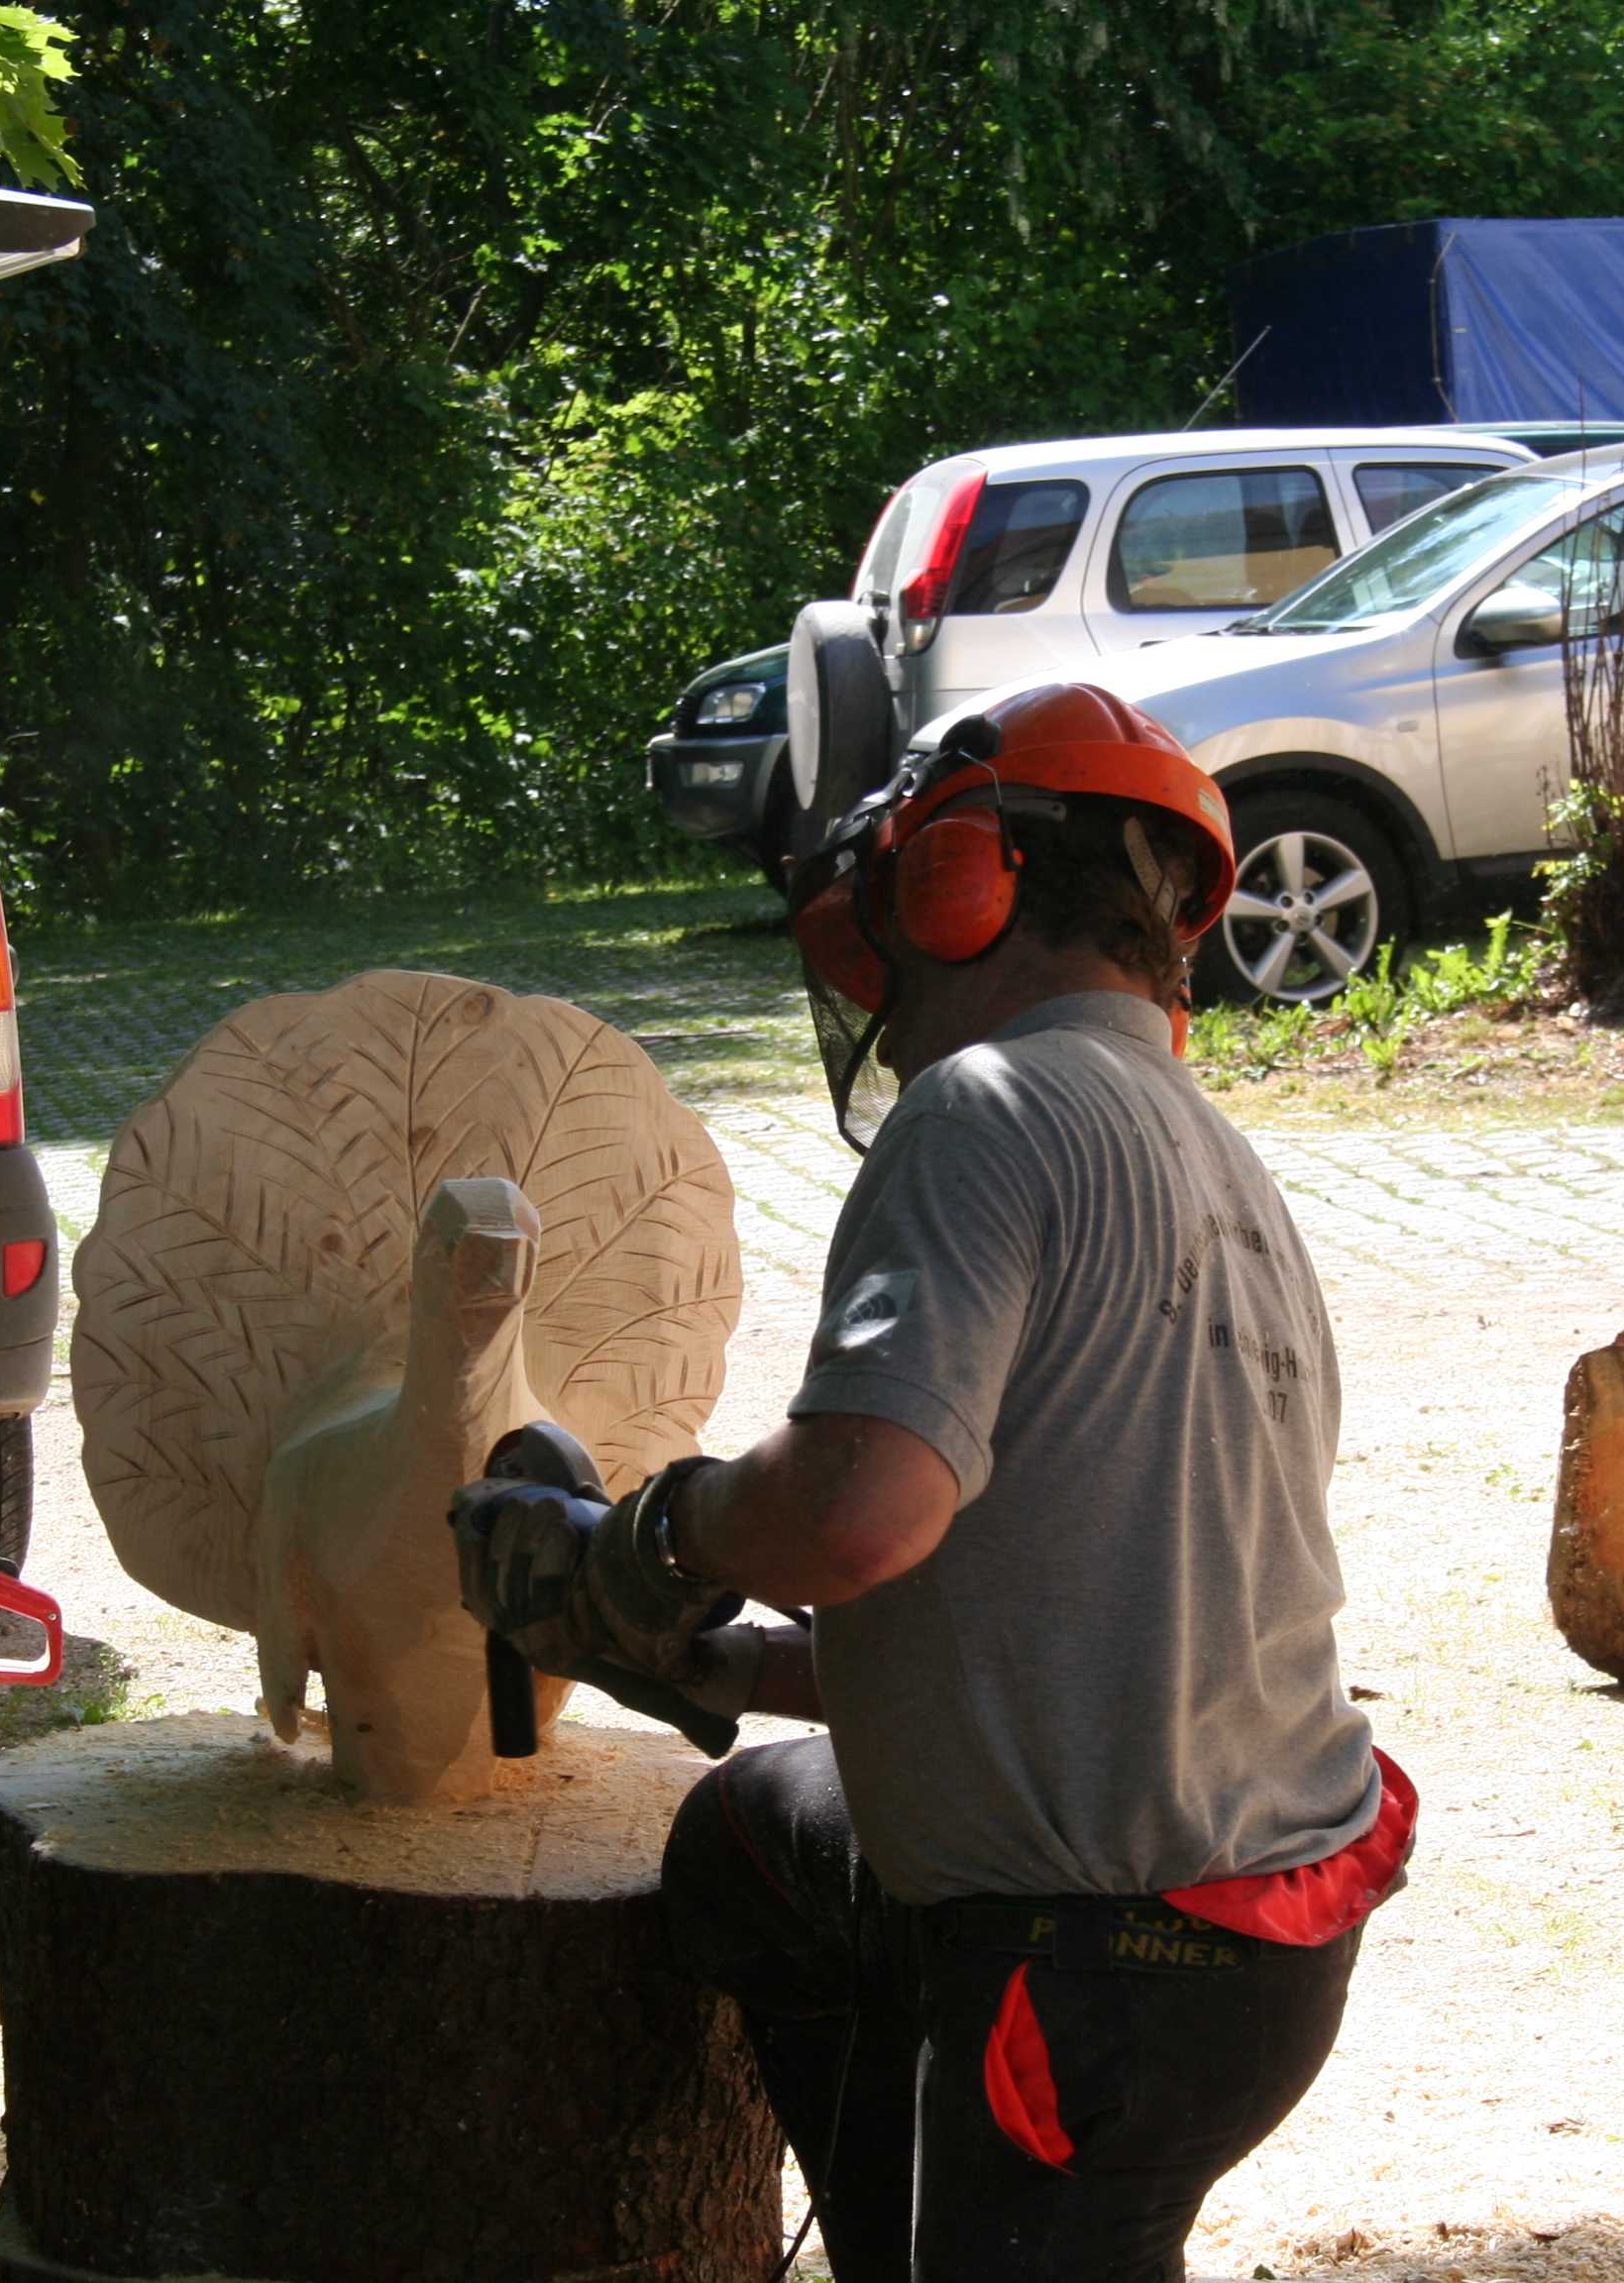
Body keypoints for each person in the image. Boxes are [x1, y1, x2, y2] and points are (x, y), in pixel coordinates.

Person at [454, 681, 1411, 2282]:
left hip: (1099, 1960)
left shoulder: (983, 1105)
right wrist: (726, 1660)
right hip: (1254, 1931)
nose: (883, 1007)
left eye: (882, 938)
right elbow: (1067, 1607)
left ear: (961, 884)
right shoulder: (1218, 1161)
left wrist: (650, 1539)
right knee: (756, 1847)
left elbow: (857, 1509)